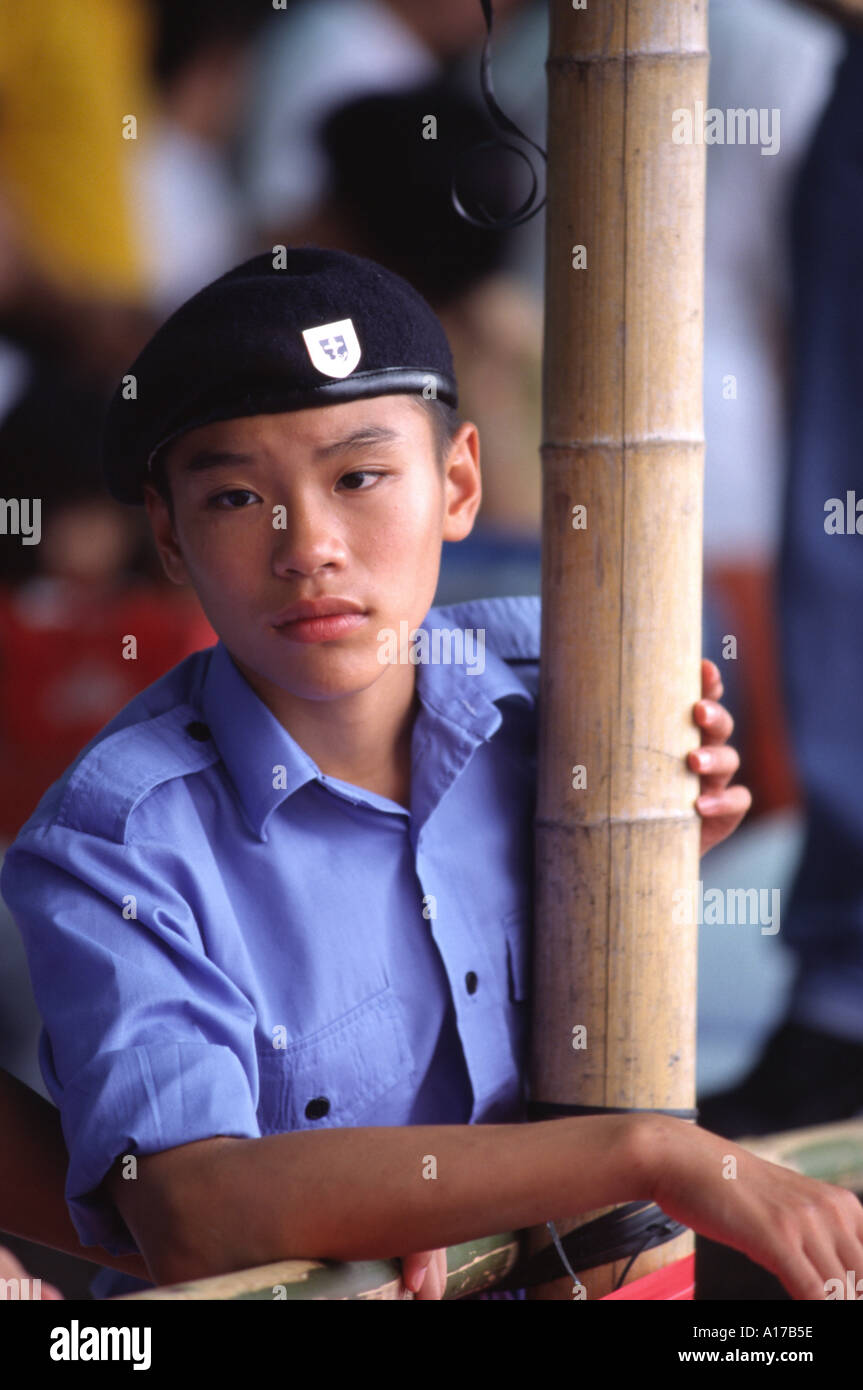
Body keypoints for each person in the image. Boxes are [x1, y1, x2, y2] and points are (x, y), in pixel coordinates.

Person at [1, 248, 861, 1304]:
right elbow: (192, 1211)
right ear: (169, 538)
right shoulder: (116, 842)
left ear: (456, 482)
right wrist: (645, 1153)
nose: (307, 545)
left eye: (358, 477)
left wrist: (648, 876)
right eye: (233, 498)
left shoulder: (573, 693)